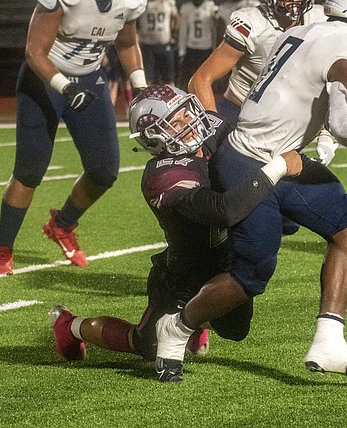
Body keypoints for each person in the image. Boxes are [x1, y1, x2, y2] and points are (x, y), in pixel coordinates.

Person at [153, 0, 347, 383]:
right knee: (251, 274)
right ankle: (176, 327)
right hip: (251, 161)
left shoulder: (305, 30)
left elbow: (317, 95)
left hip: (275, 154)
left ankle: (328, 341)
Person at [49, 85, 301, 375]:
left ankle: (192, 321)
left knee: (235, 330)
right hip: (184, 273)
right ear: (154, 137)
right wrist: (277, 169)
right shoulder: (165, 175)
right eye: (175, 123)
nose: (188, 124)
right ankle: (70, 326)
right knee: (145, 345)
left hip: (226, 258)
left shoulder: (213, 129)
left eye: (185, 114)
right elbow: (223, 211)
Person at [0, 0, 148, 275]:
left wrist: (140, 86)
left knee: (104, 171)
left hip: (90, 78)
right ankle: (3, 249)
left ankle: (62, 224)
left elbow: (126, 44)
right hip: (45, 80)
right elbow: (34, 52)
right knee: (29, 171)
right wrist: (65, 86)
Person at [188, 0, 323, 127]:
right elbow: (200, 80)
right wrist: (214, 128)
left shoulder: (321, 21)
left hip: (283, 125)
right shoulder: (252, 23)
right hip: (238, 116)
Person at [177, 0, 219, 89]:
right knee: (187, 77)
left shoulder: (211, 7)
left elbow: (214, 30)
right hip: (191, 47)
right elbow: (183, 30)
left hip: (206, 47)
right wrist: (182, 51)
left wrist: (215, 48)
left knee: (206, 76)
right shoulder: (186, 8)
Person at [139, 0, 179, 85]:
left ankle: (172, 101)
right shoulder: (141, 0)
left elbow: (176, 17)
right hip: (147, 44)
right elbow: (132, 18)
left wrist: (173, 35)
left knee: (168, 79)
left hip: (164, 43)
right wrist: (137, 32)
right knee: (148, 80)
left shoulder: (167, 0)